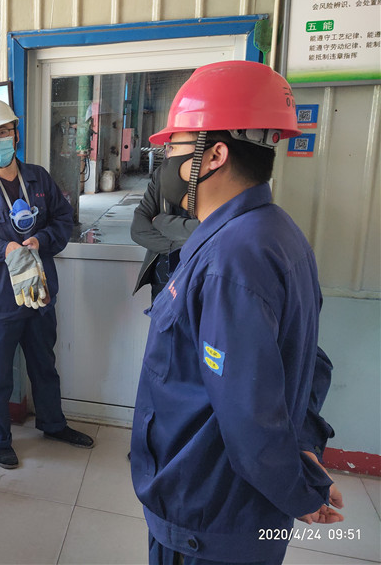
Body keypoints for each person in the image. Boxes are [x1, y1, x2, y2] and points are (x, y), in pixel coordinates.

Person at [129, 60, 344, 565]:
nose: (164, 163)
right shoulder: (273, 232)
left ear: (214, 154)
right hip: (224, 508)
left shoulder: (231, 259)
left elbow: (249, 411)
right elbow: (307, 361)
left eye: (173, 148)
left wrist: (297, 490)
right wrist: (303, 445)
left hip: (208, 518)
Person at [0, 97, 94, 470]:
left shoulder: (39, 178)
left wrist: (41, 239)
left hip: (39, 294)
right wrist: (2, 247)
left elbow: (63, 220)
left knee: (44, 365)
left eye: (3, 131)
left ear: (16, 133)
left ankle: (53, 425)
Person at [130, 163, 199, 302]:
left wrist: (161, 221)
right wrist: (178, 247)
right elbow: (138, 230)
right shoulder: (162, 173)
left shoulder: (218, 179)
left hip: (196, 277)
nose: (169, 153)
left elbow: (213, 229)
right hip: (162, 280)